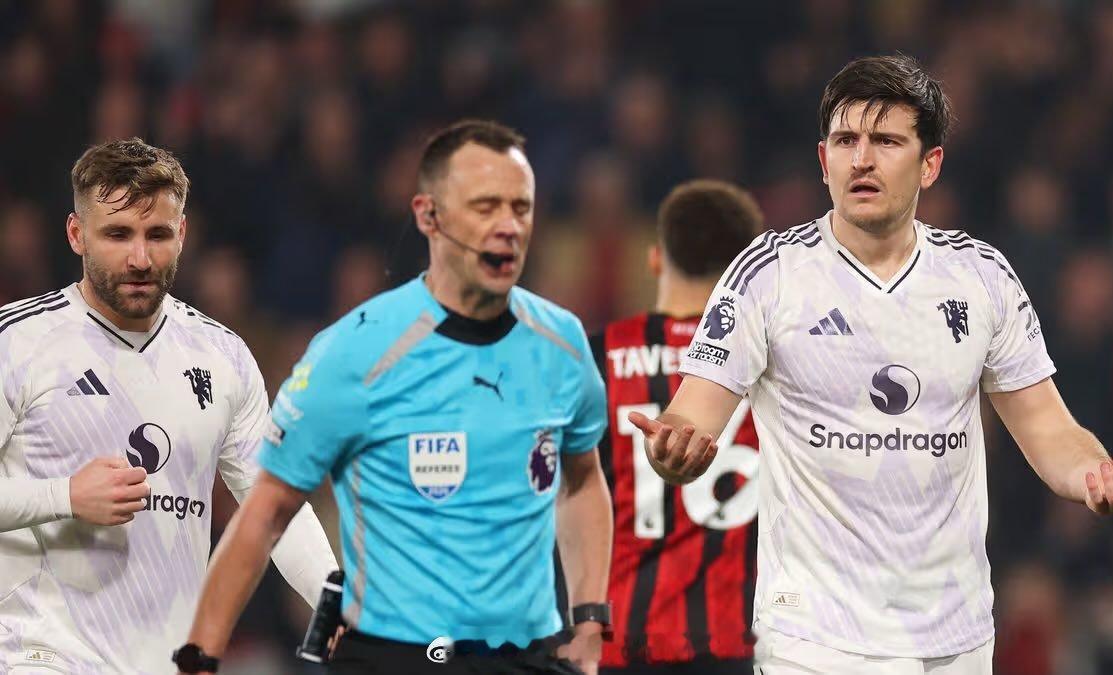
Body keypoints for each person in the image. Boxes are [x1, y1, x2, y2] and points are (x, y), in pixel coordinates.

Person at [627, 55, 1113, 673]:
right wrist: (673, 449)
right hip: (813, 641)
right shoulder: (768, 275)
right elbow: (691, 415)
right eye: (845, 141)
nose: (862, 159)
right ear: (823, 159)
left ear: (929, 164)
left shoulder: (980, 277)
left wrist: (1096, 472)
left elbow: (1047, 427)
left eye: (885, 141)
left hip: (955, 638)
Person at [178, 120, 613, 675]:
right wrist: (199, 656)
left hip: (526, 656)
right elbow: (265, 511)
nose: (508, 226)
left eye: (520, 208)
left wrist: (590, 619)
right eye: (485, 207)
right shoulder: (355, 352)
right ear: (428, 216)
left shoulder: (563, 344)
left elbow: (582, 480)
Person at [0, 138, 337, 674]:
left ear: (182, 234)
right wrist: (64, 495)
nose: (140, 258)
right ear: (76, 234)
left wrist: (334, 605)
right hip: (40, 656)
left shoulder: (223, 357)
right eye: (117, 234)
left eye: (156, 235)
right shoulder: (17, 342)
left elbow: (275, 507)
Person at [590, 180, 763, 675]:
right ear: (747, 273)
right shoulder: (770, 371)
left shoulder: (595, 358)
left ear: (654, 259)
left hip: (618, 643)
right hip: (740, 645)